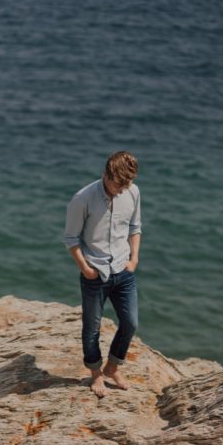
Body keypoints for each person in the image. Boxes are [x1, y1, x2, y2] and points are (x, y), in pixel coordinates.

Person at [64, 151, 142, 398]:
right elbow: (71, 238)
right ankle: (96, 373)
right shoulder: (83, 198)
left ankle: (112, 366)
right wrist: (85, 268)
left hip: (123, 268)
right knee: (92, 328)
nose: (121, 190)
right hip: (94, 272)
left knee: (130, 322)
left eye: (126, 185)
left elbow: (135, 227)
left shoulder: (132, 192)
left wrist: (134, 258)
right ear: (106, 174)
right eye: (118, 184)